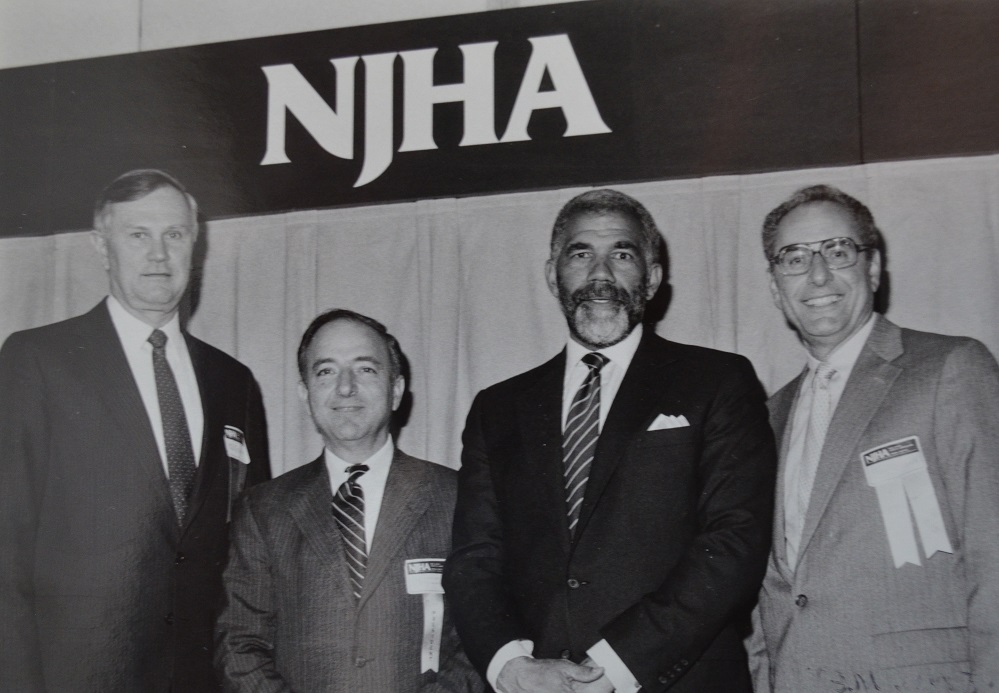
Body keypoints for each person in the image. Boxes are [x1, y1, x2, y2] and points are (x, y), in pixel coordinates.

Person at [444, 189, 776, 693]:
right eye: (581, 254)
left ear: (654, 277)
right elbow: (473, 560)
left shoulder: (716, 381)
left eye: (622, 254)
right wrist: (511, 666)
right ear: (552, 274)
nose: (600, 275)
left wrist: (615, 668)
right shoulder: (498, 409)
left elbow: (734, 541)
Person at [0, 169, 271, 692]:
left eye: (175, 235)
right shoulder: (37, 360)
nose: (159, 254)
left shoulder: (232, 380)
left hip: (201, 676)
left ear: (196, 245)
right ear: (102, 247)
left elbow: (250, 548)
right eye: (138, 235)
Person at [747, 184, 999, 692]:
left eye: (837, 251)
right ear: (776, 289)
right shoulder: (767, 416)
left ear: (874, 268)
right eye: (793, 258)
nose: (817, 274)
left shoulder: (949, 368)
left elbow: (994, 553)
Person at [215, 309, 483, 692]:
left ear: (395, 389)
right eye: (325, 371)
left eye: (365, 369)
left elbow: (479, 636)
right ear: (305, 393)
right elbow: (240, 643)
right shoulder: (263, 510)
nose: (345, 388)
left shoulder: (457, 497)